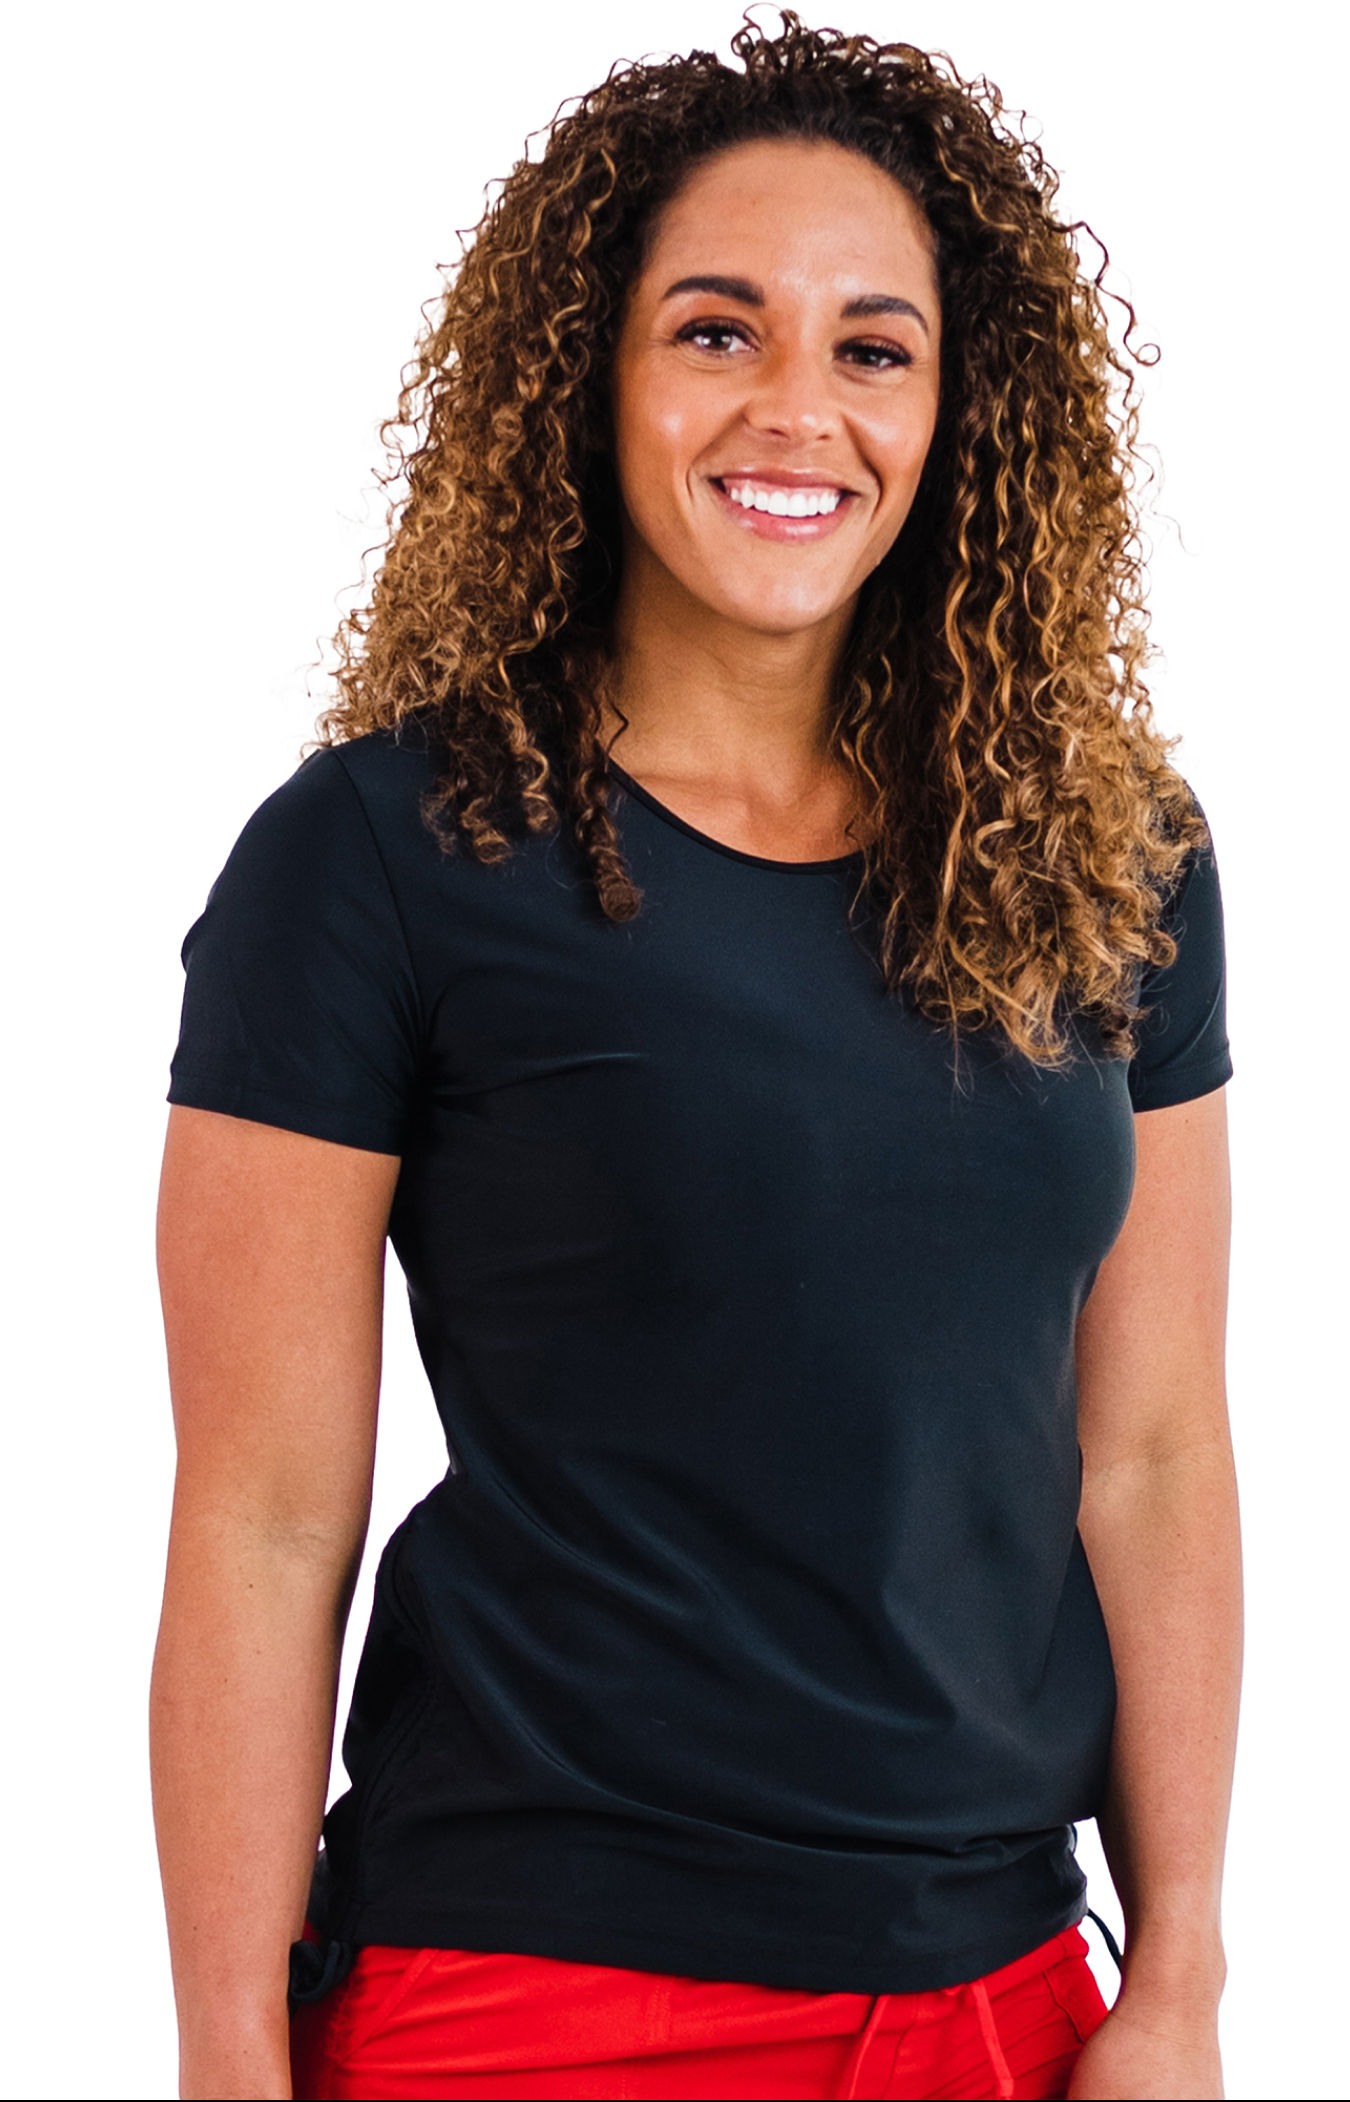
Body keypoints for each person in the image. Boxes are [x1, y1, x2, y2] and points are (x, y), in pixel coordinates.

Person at [151, 13, 1240, 2099]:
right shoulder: (381, 858)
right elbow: (265, 1517)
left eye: (872, 348)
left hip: (1008, 1994)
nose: (796, 408)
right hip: (538, 1996)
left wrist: (1175, 1972)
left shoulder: (1112, 858)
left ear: (960, 407)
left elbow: (1157, 1448)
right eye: (716, 330)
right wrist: (224, 2054)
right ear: (592, 373)